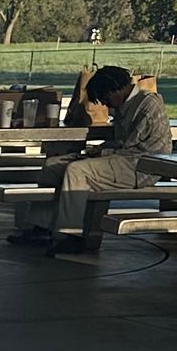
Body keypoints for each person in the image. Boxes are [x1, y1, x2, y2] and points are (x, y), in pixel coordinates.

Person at [40, 65, 172, 252]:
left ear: (115, 89)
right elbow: (121, 143)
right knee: (53, 165)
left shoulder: (149, 103)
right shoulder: (124, 106)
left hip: (141, 167)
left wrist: (102, 152)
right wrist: (99, 151)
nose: (105, 104)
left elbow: (135, 146)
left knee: (77, 171)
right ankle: (41, 226)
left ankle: (70, 235)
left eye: (104, 98)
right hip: (121, 160)